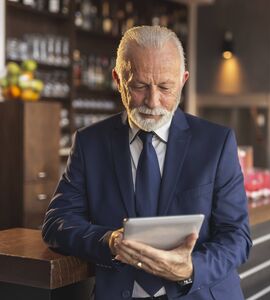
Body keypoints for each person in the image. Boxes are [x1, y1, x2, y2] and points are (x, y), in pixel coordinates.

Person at [42, 26, 252, 300]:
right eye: (139, 86)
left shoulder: (217, 142)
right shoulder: (89, 143)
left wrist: (190, 268)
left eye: (165, 87)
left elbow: (237, 238)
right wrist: (109, 241)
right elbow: (56, 222)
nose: (153, 102)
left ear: (183, 80)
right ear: (118, 80)